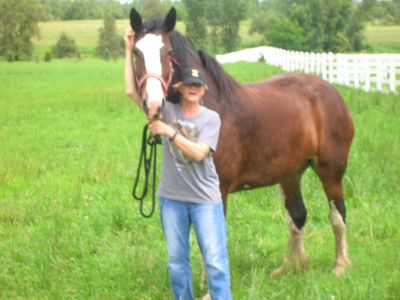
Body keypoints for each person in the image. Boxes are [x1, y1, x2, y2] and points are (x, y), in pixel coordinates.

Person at [124, 28, 232, 300]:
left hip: (205, 200)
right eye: (189, 86)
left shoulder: (211, 119)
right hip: (171, 200)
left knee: (216, 262)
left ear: (203, 90)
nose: (193, 90)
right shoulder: (166, 110)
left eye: (198, 86)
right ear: (180, 89)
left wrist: (169, 132)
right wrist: (128, 51)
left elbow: (199, 153)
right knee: (176, 263)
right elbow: (130, 91)